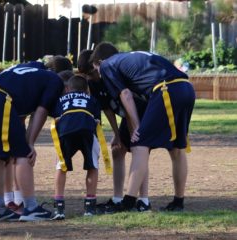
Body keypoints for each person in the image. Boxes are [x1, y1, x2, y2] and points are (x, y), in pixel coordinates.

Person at [90, 42, 195, 212]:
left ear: (99, 62)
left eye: (95, 68)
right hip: (186, 87)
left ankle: (129, 202)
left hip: (165, 89)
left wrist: (138, 125)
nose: (98, 74)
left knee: (139, 143)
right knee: (177, 148)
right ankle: (178, 202)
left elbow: (125, 94)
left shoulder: (107, 65)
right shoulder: (128, 57)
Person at [0, 61, 64, 222]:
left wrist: (22, 140)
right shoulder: (53, 79)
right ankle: (31, 208)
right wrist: (29, 143)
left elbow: (19, 117)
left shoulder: (24, 72)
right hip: (0, 101)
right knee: (23, 153)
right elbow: (41, 111)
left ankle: (0, 210)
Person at [77, 49, 151, 212]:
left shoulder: (111, 74)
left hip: (139, 111)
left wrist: (134, 127)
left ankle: (143, 200)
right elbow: (107, 109)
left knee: (139, 150)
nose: (90, 78)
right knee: (117, 150)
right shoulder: (93, 83)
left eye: (90, 73)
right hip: (127, 115)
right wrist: (117, 135)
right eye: (86, 76)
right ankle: (118, 198)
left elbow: (129, 101)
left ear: (96, 67)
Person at [50, 75, 101, 220]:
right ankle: (90, 207)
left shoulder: (61, 99)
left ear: (67, 89)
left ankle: (59, 207)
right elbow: (97, 122)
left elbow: (56, 118)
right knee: (92, 166)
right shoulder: (92, 99)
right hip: (87, 131)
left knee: (61, 167)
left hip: (66, 131)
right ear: (87, 90)